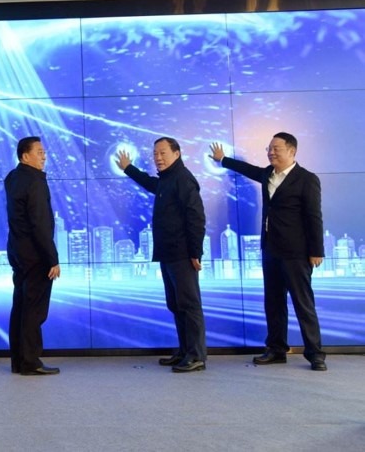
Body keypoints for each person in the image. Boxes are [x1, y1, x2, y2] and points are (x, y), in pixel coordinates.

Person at [210, 132, 326, 371]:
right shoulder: (267, 174)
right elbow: (247, 169)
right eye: (269, 149)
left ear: (292, 151)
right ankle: (276, 349)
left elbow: (314, 217)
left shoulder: (307, 179)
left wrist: (316, 250)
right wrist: (223, 159)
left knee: (303, 304)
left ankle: (315, 354)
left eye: (276, 148)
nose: (271, 152)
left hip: (296, 253)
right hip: (270, 250)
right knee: (273, 304)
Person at [117, 137, 207, 373]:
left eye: (163, 153)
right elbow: (151, 183)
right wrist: (129, 168)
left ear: (177, 153)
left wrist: (195, 252)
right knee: (176, 305)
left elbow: (196, 217)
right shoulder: (168, 179)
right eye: (155, 153)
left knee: (189, 305)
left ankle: (196, 355)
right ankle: (185, 351)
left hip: (183, 254)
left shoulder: (183, 178)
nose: (158, 157)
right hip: (168, 253)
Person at [5, 136, 61, 376]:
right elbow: (39, 223)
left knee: (20, 307)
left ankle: (19, 361)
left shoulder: (12, 177)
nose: (44, 156)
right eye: (39, 152)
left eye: (43, 152)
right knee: (34, 310)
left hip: (18, 252)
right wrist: (52, 259)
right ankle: (30, 362)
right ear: (25, 156)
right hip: (36, 256)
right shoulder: (35, 181)